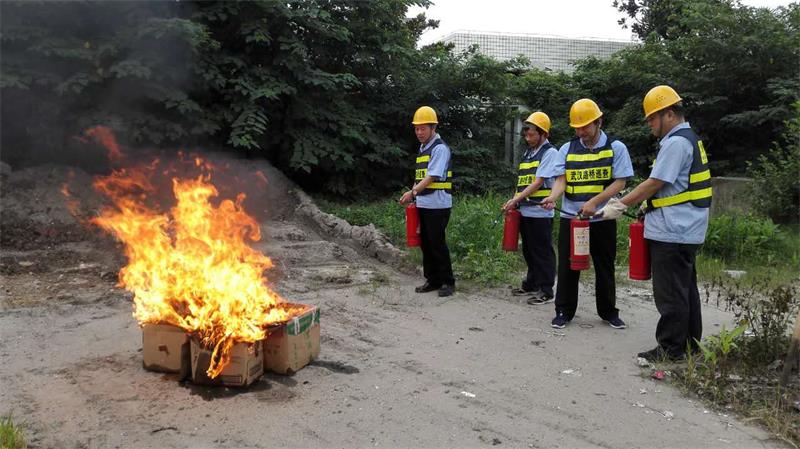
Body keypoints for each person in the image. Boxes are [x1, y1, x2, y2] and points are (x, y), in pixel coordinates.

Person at [598, 85, 712, 361]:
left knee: (670, 293)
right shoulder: (689, 139)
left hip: (673, 231)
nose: (649, 124)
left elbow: (654, 183)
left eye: (652, 118)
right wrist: (645, 209)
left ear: (669, 114)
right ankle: (689, 345)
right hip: (686, 228)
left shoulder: (676, 143)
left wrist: (620, 204)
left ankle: (671, 349)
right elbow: (671, 189)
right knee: (685, 291)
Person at [540, 99, 634, 330]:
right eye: (577, 128)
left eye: (586, 127)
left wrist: (594, 202)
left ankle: (609, 312)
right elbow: (561, 181)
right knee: (568, 266)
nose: (581, 132)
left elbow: (620, 182)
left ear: (598, 122)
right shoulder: (566, 149)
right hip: (572, 219)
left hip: (602, 218)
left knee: (605, 265)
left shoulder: (616, 147)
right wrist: (552, 197)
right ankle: (563, 311)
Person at [399, 106, 455, 297]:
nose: (419, 132)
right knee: (425, 243)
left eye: (423, 128)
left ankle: (448, 281)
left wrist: (412, 193)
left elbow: (432, 176)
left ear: (433, 128)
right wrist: (414, 194)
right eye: (417, 129)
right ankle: (432, 280)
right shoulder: (423, 149)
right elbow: (420, 176)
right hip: (424, 204)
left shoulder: (440, 149)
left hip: (438, 205)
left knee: (437, 243)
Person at [502, 112, 558, 304]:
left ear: (543, 134)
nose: (528, 138)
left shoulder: (550, 153)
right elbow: (523, 181)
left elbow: (538, 182)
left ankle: (546, 289)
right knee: (528, 249)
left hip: (540, 212)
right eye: (526, 135)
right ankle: (532, 283)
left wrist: (517, 198)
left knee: (542, 250)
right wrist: (513, 200)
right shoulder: (528, 154)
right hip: (525, 209)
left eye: (532, 134)